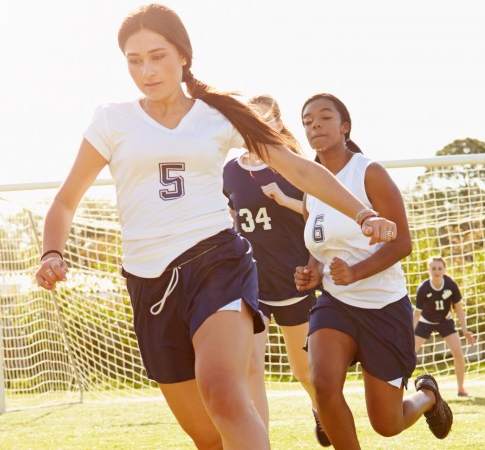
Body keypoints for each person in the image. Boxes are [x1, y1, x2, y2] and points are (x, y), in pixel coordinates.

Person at [32, 5, 398, 449]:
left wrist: (364, 214)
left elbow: (300, 170)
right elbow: (66, 200)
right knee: (208, 436)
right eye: (134, 60)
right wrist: (52, 252)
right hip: (148, 282)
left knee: (224, 396)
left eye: (158, 55)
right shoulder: (112, 120)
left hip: (216, 263)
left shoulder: (218, 114)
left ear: (183, 56)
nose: (147, 70)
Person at [296, 93, 453, 449]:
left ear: (344, 127)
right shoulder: (310, 188)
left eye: (324, 118)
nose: (315, 125)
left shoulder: (369, 172)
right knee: (322, 384)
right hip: (336, 304)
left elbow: (402, 243)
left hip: (383, 307)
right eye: (307, 121)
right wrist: (312, 272)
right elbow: (318, 251)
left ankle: (427, 394)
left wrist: (357, 272)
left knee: (387, 423)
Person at [222, 94, 328, 445]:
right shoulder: (231, 171)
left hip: (292, 279)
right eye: (250, 119)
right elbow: (230, 216)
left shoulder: (293, 165)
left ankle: (320, 409)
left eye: (265, 119)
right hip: (249, 280)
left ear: (278, 124)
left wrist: (285, 201)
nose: (257, 126)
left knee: (304, 372)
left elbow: (320, 213)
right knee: (251, 367)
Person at [412, 257, 476, 397]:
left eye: (440, 268)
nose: (436, 271)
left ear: (444, 270)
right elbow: (417, 314)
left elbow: (459, 309)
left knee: (458, 353)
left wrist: (465, 331)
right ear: (428, 270)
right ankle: (399, 385)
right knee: (408, 354)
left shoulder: (451, 286)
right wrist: (409, 333)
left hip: (445, 321)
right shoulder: (423, 288)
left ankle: (461, 389)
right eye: (433, 268)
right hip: (425, 322)